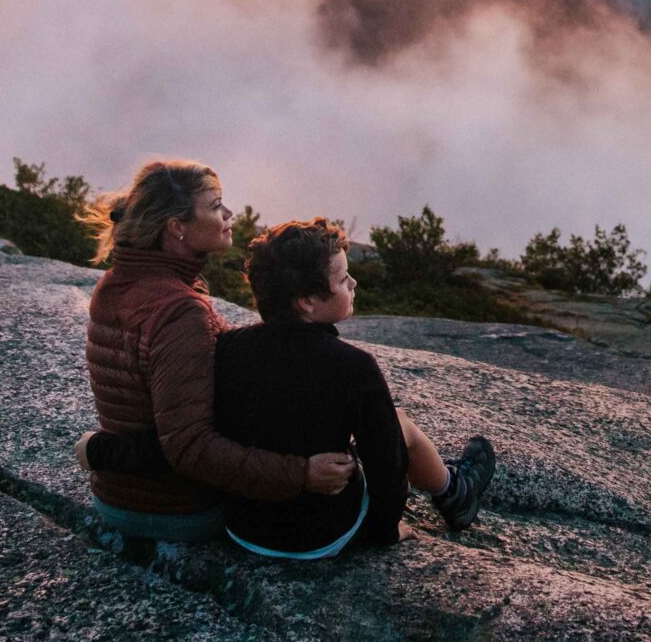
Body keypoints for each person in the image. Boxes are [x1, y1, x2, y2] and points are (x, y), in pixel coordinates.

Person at [74, 160, 354, 542]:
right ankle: (449, 491)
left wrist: (99, 451)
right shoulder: (181, 310)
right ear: (177, 228)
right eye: (215, 205)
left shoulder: (114, 283)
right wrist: (300, 474)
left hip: (115, 500)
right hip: (177, 511)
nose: (229, 213)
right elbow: (190, 447)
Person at [215, 217, 494, 558]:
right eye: (343, 279)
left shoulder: (229, 346)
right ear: (307, 301)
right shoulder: (354, 367)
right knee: (399, 424)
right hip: (319, 535)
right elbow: (386, 469)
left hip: (242, 528)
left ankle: (453, 490)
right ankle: (456, 494)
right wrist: (386, 530)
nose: (354, 283)